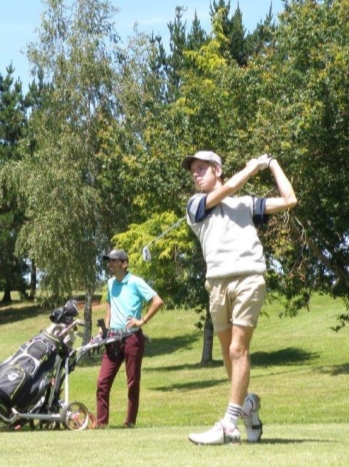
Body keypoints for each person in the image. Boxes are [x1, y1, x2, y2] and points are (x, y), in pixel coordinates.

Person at [182, 150, 297, 445]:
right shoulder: (195, 205)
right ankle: (250, 408)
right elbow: (230, 188)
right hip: (216, 283)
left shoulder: (246, 204)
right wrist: (251, 167)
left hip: (248, 277)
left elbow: (289, 200)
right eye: (193, 171)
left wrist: (271, 164)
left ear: (217, 169)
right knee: (227, 356)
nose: (195, 174)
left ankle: (229, 425)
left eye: (201, 169)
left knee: (237, 350)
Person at [96, 249, 164, 428]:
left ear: (124, 264)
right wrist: (106, 326)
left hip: (132, 337)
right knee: (102, 381)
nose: (109, 264)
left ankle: (130, 422)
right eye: (108, 261)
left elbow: (157, 301)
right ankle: (102, 424)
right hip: (113, 338)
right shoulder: (110, 283)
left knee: (132, 382)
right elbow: (110, 305)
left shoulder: (135, 282)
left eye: (113, 261)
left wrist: (142, 321)